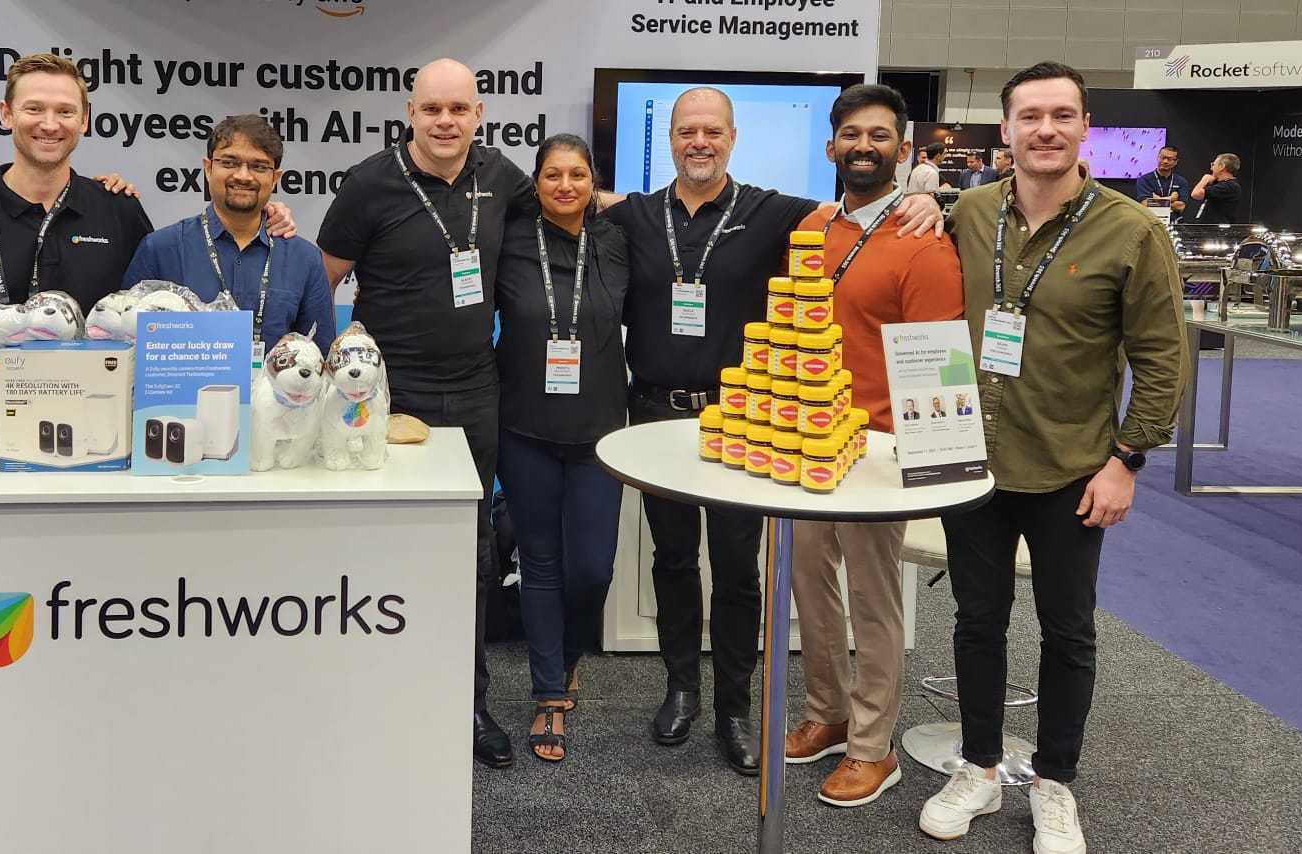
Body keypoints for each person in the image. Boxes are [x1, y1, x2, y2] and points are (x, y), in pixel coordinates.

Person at [600, 86, 941, 776]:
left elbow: (863, 204)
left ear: (732, 138)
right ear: (670, 139)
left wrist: (930, 198)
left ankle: (735, 707)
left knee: (737, 569)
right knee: (671, 560)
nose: (699, 142)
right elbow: (568, 199)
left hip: (749, 418)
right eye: (686, 131)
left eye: (712, 131)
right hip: (657, 414)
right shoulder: (634, 215)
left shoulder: (776, 212)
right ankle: (681, 689)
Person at [920, 61, 1183, 854]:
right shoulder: (969, 212)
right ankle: (977, 765)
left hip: (1073, 467)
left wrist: (1126, 460)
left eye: (1062, 115)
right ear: (1005, 129)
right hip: (972, 461)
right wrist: (911, 204)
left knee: (1068, 630)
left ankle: (1055, 781)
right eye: (1030, 116)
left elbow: (1163, 356)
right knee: (977, 621)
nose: (1045, 130)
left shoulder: (1130, 231)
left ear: (1083, 128)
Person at [317, 56, 536, 769]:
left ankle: (469, 702)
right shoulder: (368, 183)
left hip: (474, 391)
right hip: (386, 395)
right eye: (432, 109)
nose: (446, 122)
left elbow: (566, 210)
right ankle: (375, 694)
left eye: (459, 109)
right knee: (382, 545)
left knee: (471, 552)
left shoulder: (501, 177)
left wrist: (616, 202)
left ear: (479, 115)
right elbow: (319, 282)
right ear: (410, 113)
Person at [781, 83, 964, 808]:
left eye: (880, 136)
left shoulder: (923, 242)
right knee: (809, 585)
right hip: (807, 442)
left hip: (879, 450)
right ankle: (827, 713)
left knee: (873, 597)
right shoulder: (812, 227)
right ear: (831, 146)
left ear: (904, 150)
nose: (864, 147)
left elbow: (938, 360)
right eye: (852, 135)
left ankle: (872, 745)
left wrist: (929, 462)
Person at [492, 133, 630, 763]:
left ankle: (568, 657)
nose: (565, 186)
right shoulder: (509, 240)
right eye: (553, 175)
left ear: (593, 182)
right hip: (525, 428)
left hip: (601, 434)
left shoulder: (618, 241)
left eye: (578, 175)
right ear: (536, 183)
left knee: (593, 567)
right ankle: (549, 690)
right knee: (540, 562)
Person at [0, 53, 157, 370]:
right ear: (6, 114)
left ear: (84, 119)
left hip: (101, 397)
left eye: (65, 111)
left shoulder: (120, 211)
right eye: (34, 109)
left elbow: (152, 325)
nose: (49, 124)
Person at [121, 114, 336, 359]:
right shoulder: (160, 249)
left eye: (259, 166)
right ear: (208, 168)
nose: (243, 176)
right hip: (181, 384)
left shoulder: (304, 260)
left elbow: (320, 356)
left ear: (275, 178)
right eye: (229, 162)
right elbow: (126, 344)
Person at [1191, 153, 1244, 225]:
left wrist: (1204, 179)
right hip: (1207, 228)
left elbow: (1195, 194)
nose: (1211, 168)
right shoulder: (1218, 184)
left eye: (1213, 165)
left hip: (1217, 230)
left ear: (1222, 166)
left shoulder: (1230, 186)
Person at [1133, 146, 1187, 214]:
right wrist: (1170, 198)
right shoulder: (1144, 180)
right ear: (1158, 158)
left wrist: (1157, 200)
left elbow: (1181, 206)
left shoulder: (1181, 181)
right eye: (1163, 158)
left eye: (1169, 159)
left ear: (1175, 162)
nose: (1165, 161)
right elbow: (1145, 204)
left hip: (1173, 219)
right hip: (1151, 218)